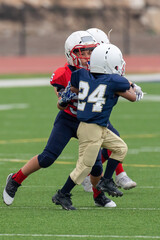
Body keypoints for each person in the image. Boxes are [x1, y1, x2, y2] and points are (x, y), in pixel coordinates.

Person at [3, 30, 116, 208]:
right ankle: (15, 180)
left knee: (95, 165)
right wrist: (67, 96)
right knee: (48, 157)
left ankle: (98, 195)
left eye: (90, 51)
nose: (87, 56)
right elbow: (61, 105)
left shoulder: (98, 70)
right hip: (68, 119)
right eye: (82, 52)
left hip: (89, 121)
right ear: (70, 54)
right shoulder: (62, 73)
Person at [52, 43, 144, 210]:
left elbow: (73, 86)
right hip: (90, 129)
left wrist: (69, 94)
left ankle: (106, 181)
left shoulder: (82, 74)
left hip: (99, 126)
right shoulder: (113, 80)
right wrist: (135, 88)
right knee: (84, 167)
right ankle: (62, 194)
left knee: (120, 148)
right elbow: (132, 97)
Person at [81, 28, 137, 192]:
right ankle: (88, 180)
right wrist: (129, 88)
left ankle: (114, 176)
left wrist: (130, 85)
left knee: (111, 142)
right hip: (87, 113)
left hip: (96, 109)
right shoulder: (85, 68)